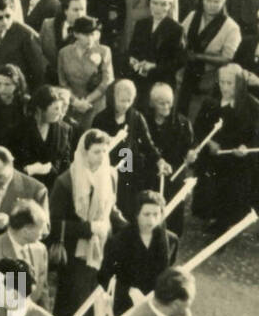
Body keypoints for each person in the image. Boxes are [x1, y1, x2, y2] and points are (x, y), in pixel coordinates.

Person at [50, 128, 127, 316]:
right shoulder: (66, 181)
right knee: (75, 303)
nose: (101, 157)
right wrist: (87, 228)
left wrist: (127, 227)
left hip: (100, 250)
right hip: (76, 253)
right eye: (96, 152)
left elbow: (110, 210)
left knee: (91, 298)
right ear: (84, 152)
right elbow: (55, 223)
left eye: (105, 152)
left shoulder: (110, 176)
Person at [98, 191, 179, 316]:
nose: (151, 220)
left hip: (153, 302)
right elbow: (104, 274)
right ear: (136, 214)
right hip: (125, 299)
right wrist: (126, 290)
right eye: (146, 214)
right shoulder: (121, 239)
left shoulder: (170, 241)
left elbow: (167, 274)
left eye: (156, 214)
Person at [191, 63, 259, 235]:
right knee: (212, 190)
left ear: (239, 83)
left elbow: (258, 134)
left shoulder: (252, 105)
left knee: (232, 196)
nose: (224, 87)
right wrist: (210, 143)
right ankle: (214, 218)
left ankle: (225, 227)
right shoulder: (211, 103)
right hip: (215, 157)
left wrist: (246, 147)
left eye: (229, 83)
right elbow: (199, 128)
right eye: (222, 82)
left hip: (237, 161)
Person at [90, 78, 163, 217]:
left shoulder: (135, 116)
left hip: (129, 166)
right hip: (107, 164)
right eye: (122, 101)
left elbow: (148, 143)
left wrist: (159, 160)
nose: (126, 105)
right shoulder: (101, 118)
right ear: (113, 98)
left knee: (127, 201)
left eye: (129, 101)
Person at [178, 0, 242, 115]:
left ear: (223, 3)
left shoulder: (231, 27)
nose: (212, 5)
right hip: (185, 70)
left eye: (216, 2)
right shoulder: (193, 15)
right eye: (209, 1)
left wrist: (198, 57)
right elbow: (181, 34)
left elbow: (227, 58)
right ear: (203, 1)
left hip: (210, 76)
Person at [144, 83, 194, 237]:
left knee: (173, 208)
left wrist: (192, 153)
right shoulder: (144, 120)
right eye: (161, 103)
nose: (166, 106)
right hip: (150, 172)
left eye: (169, 102)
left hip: (174, 172)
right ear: (152, 103)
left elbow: (191, 146)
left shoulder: (182, 122)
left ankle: (171, 238)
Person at [0, 199, 51, 306]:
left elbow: (43, 293)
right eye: (41, 228)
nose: (45, 232)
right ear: (26, 231)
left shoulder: (40, 250)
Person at [127, 0, 187, 105]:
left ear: (170, 6)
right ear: (149, 4)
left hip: (161, 80)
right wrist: (133, 60)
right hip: (139, 78)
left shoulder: (176, 29)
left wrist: (154, 66)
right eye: (154, 3)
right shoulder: (141, 24)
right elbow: (132, 49)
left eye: (163, 4)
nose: (158, 8)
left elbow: (179, 61)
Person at [12, 84, 74, 193]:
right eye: (56, 108)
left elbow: (65, 163)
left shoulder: (64, 129)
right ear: (40, 109)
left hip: (53, 189)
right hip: (25, 186)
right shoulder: (19, 130)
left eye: (61, 108)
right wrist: (29, 170)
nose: (60, 113)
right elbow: (12, 163)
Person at [58, 15, 114, 133]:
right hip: (72, 104)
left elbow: (107, 81)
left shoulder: (104, 51)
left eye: (93, 34)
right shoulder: (64, 53)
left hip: (95, 104)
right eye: (86, 35)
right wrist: (75, 102)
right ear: (76, 34)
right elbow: (63, 82)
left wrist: (87, 101)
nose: (90, 39)